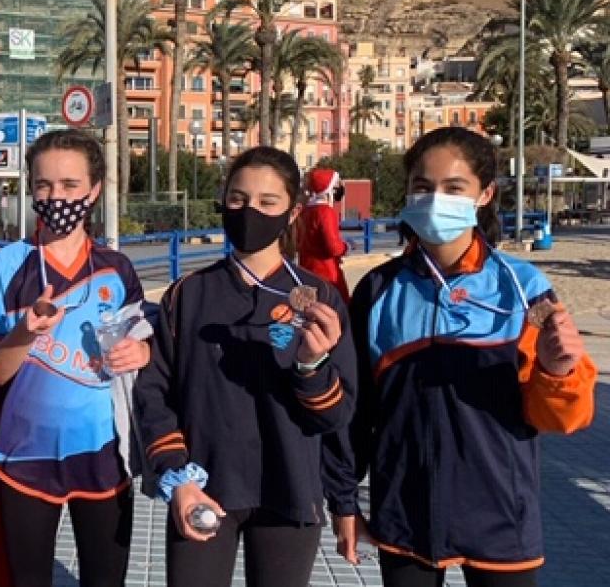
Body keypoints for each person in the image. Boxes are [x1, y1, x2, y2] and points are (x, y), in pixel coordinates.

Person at [330, 127, 597, 587]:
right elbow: (357, 410)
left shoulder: (522, 287)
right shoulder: (379, 289)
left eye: (454, 188)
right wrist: (343, 501)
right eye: (422, 186)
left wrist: (558, 371)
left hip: (501, 517)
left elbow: (562, 418)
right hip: (405, 514)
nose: (436, 199)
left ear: (485, 194)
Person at [134, 146, 357, 587]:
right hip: (203, 488)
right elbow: (154, 392)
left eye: (267, 202)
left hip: (290, 490)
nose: (249, 211)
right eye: (237, 199)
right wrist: (176, 477)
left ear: (292, 212)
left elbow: (338, 418)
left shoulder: (321, 299)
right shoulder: (187, 295)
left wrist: (312, 368)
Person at [0, 129, 149, 587]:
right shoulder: (4, 266)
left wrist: (142, 351)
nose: (57, 197)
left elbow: (144, 354)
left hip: (104, 457)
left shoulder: (117, 270)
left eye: (70, 186)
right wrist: (24, 333)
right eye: (44, 185)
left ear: (94, 191)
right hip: (23, 459)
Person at [298, 168, 351, 302]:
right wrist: (346, 247)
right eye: (337, 184)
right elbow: (333, 247)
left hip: (306, 269)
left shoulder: (305, 211)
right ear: (330, 188)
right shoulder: (326, 212)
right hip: (326, 273)